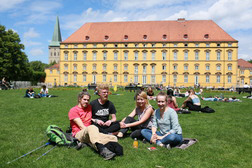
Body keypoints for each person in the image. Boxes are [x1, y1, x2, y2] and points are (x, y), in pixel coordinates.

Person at [68, 91, 119, 160]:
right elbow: (82, 127)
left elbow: (90, 118)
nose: (86, 102)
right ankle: (103, 151)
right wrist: (94, 133)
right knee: (92, 127)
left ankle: (87, 143)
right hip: (79, 134)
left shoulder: (89, 107)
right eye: (84, 99)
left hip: (91, 132)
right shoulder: (73, 110)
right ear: (79, 99)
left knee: (113, 138)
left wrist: (96, 120)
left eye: (88, 100)